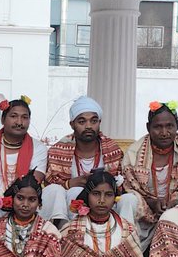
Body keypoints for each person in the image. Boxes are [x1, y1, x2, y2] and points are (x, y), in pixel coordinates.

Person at [42, 96, 135, 226]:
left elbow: (121, 185)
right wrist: (70, 183)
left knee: (129, 199)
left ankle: (125, 238)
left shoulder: (112, 149)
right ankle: (67, 235)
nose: (88, 126)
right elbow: (50, 187)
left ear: (99, 122)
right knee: (75, 191)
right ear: (72, 124)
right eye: (82, 121)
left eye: (93, 121)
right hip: (71, 207)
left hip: (106, 201)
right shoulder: (58, 150)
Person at [122, 100, 178, 251]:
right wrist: (151, 201)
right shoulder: (134, 152)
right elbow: (129, 187)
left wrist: (174, 202)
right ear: (148, 127)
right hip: (145, 210)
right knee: (127, 200)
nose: (164, 132)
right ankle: (126, 249)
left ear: (177, 125)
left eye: (169, 126)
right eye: (158, 127)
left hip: (177, 208)